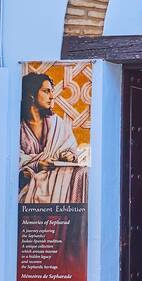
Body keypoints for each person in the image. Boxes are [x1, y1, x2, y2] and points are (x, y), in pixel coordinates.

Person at [19, 73, 88, 204]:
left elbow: (73, 151)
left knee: (83, 173)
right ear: (31, 94)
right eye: (46, 91)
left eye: (52, 91)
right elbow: (14, 159)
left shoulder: (58, 124)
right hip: (29, 184)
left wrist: (69, 155)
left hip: (59, 180)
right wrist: (37, 164)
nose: (52, 96)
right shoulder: (18, 127)